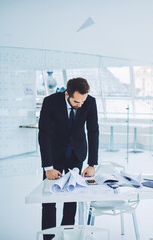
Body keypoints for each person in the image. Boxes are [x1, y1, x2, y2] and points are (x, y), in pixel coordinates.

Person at [38, 77, 99, 239]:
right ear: (67, 94)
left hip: (76, 155)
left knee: (72, 198)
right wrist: (48, 167)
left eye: (83, 101)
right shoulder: (50, 102)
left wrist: (92, 163)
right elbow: (44, 134)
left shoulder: (90, 102)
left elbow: (93, 132)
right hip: (54, 155)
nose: (80, 105)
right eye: (76, 102)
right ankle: (49, 237)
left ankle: (67, 235)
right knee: (49, 200)